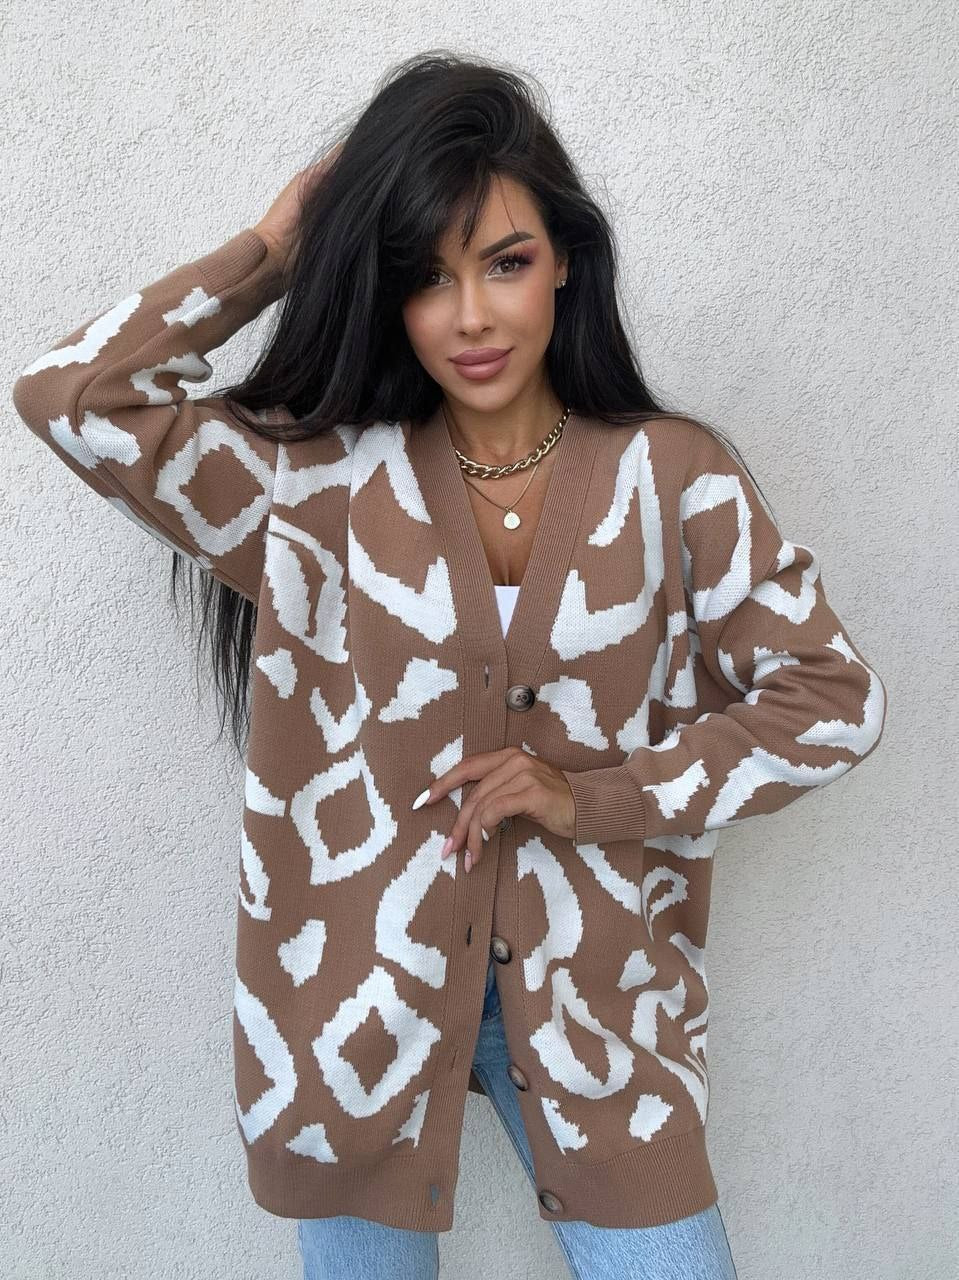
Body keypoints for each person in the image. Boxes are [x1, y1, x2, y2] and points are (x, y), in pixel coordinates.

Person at [13, 51, 886, 1280]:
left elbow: (828, 702)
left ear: (566, 259)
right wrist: (271, 246)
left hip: (604, 1027)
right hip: (348, 1024)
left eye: (505, 261)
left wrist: (594, 794)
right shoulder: (309, 491)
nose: (469, 315)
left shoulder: (671, 478)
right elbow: (71, 396)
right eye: (424, 275)